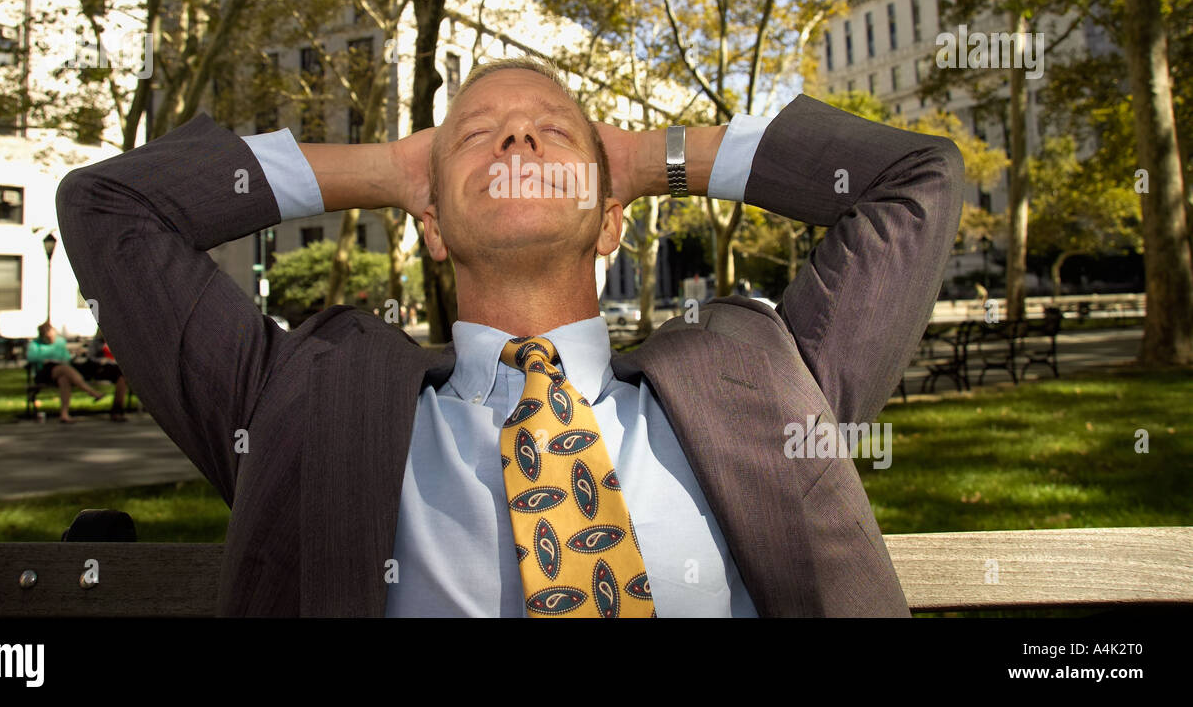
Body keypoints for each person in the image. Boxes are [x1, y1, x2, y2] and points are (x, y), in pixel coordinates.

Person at [56, 56, 964, 616]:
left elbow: (917, 181)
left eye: (551, 133)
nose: (517, 142)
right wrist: (391, 170)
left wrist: (656, 158)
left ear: (612, 221)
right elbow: (109, 209)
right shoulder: (296, 401)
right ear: (434, 227)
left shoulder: (768, 374)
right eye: (479, 137)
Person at [26, 322, 105, 424]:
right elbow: (31, 357)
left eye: (52, 337)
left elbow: (66, 358)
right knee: (63, 369)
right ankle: (91, 391)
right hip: (44, 372)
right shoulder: (35, 344)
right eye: (48, 338)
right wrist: (46, 358)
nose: (51, 340)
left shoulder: (60, 342)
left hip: (61, 369)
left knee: (64, 379)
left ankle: (64, 414)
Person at [75, 329, 131, 422]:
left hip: (116, 369)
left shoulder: (117, 341)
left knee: (122, 377)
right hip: (101, 368)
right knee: (121, 375)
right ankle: (117, 411)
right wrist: (102, 360)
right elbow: (91, 357)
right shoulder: (97, 342)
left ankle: (117, 409)